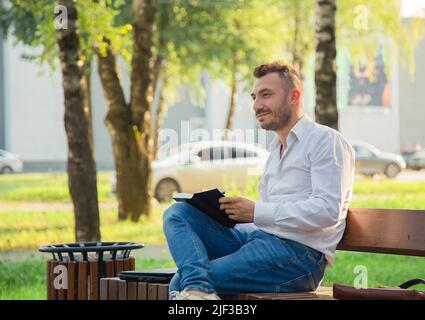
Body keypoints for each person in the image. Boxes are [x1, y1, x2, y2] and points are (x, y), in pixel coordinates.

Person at [163, 61, 355, 300]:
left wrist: (256, 211)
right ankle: (200, 291)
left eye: (266, 95)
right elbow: (266, 215)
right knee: (179, 213)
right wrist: (221, 210)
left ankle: (200, 291)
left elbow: (328, 211)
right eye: (254, 97)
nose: (257, 105)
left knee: (183, 280)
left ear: (294, 96)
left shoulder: (325, 141)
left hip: (299, 257)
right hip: (259, 240)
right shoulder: (276, 150)